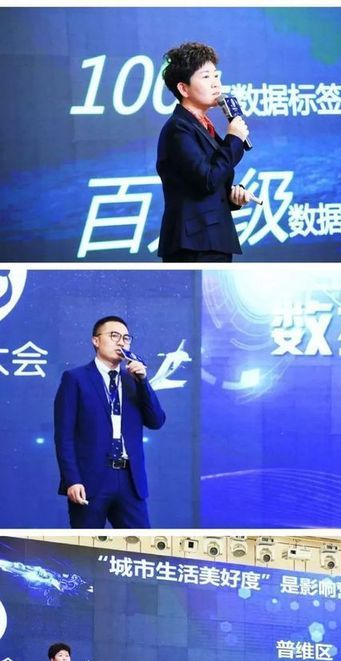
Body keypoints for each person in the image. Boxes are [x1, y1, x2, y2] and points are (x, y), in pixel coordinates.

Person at [54, 315, 166, 528]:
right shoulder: (75, 379)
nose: (121, 342)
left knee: (140, 543)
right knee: (86, 544)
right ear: (96, 340)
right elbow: (64, 437)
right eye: (114, 336)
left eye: (126, 338)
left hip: (130, 480)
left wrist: (143, 382)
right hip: (90, 480)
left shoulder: (133, 381)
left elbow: (156, 421)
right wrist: (72, 479)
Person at [157, 42, 253, 262]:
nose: (216, 83)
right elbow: (207, 179)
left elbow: (208, 182)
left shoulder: (201, 126)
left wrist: (232, 198)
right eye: (206, 77)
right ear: (184, 89)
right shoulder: (178, 129)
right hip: (194, 245)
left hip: (211, 239)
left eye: (216, 76)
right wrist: (233, 139)